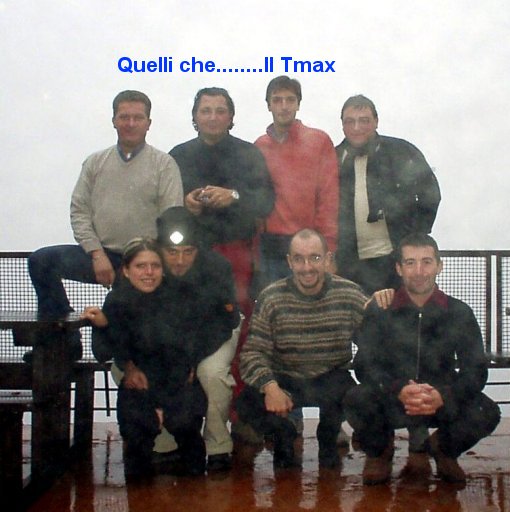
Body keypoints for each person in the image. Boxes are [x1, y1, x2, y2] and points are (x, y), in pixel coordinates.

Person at [28, 90, 183, 360]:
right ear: (113, 120)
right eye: (124, 117)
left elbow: (171, 217)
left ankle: (133, 366)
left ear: (148, 123)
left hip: (142, 262)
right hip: (101, 256)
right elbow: (79, 211)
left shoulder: (164, 165)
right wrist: (96, 253)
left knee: (124, 323)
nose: (130, 123)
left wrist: (141, 264)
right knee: (42, 261)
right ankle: (61, 342)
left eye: (138, 118)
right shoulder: (95, 162)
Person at [88, 206, 241, 473]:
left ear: (198, 249)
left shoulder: (217, 267)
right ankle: (163, 439)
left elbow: (225, 321)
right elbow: (123, 324)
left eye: (188, 252)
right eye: (171, 252)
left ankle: (218, 445)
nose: (179, 261)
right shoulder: (145, 266)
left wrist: (192, 360)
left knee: (211, 373)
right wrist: (129, 363)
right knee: (123, 370)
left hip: (216, 331)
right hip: (168, 340)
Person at [343, 233, 501, 485]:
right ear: (399, 268)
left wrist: (443, 395)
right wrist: (398, 388)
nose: (419, 271)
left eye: (426, 262)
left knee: (487, 411)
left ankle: (443, 449)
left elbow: (476, 371)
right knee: (355, 399)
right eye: (410, 262)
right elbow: (364, 365)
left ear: (439, 266)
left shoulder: (459, 312)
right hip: (394, 399)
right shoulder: (381, 309)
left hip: (439, 401)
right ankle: (380, 452)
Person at [169, 87, 275, 438]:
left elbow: (265, 201)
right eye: (206, 110)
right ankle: (189, 417)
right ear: (195, 116)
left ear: (231, 117)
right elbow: (167, 207)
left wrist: (234, 196)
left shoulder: (248, 153)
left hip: (237, 254)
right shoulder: (178, 155)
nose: (213, 117)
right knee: (188, 329)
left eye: (220, 110)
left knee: (240, 331)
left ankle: (241, 414)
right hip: (189, 258)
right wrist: (187, 203)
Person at [236, 229, 367, 469]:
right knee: (246, 403)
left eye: (315, 258)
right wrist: (270, 387)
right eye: (299, 259)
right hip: (284, 379)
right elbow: (252, 353)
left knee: (358, 398)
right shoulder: (271, 297)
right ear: (289, 261)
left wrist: (383, 304)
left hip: (330, 378)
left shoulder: (350, 294)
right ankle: (283, 434)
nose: (307, 267)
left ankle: (328, 436)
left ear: (327, 259)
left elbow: (373, 337)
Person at [83, 238, 207, 478]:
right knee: (136, 434)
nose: (149, 272)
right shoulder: (116, 301)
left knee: (186, 430)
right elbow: (103, 352)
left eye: (155, 266)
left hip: (175, 381)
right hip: (138, 382)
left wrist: (160, 404)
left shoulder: (177, 298)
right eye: (141, 266)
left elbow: (183, 349)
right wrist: (102, 326)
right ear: (126, 271)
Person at [335, 94, 441, 295]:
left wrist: (415, 237)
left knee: (398, 312)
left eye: (364, 121)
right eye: (350, 121)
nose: (356, 127)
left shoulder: (401, 152)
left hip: (396, 260)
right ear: (342, 125)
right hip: (348, 263)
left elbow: (430, 194)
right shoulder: (333, 158)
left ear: (376, 121)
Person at [254, 75, 339, 289]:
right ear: (268, 105)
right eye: (277, 100)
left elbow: (329, 200)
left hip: (309, 245)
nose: (284, 106)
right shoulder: (259, 147)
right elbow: (255, 203)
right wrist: (254, 252)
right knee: (274, 305)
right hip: (271, 248)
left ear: (298, 104)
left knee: (311, 306)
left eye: (290, 100)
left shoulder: (318, 141)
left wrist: (328, 250)